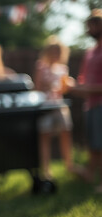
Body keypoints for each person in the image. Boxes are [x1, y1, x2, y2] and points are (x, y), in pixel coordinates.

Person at [33, 36, 76, 179]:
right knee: (45, 136)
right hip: (45, 106)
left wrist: (68, 85)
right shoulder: (41, 66)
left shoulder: (63, 68)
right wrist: (48, 85)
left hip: (60, 105)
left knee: (66, 133)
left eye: (57, 51)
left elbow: (63, 89)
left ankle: (69, 165)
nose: (55, 54)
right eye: (52, 51)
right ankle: (46, 169)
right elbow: (37, 88)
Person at [70, 9, 102, 193]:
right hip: (89, 104)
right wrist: (74, 86)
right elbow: (84, 79)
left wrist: (82, 89)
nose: (88, 30)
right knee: (94, 144)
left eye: (91, 26)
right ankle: (90, 173)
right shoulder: (90, 52)